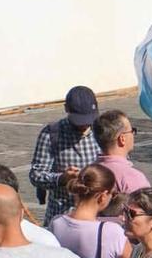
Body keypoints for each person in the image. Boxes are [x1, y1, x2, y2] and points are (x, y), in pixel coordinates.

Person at [29, 86, 104, 218]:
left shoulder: (103, 131)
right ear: (66, 109)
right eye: (79, 120)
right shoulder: (51, 133)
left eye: (88, 119)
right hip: (63, 214)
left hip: (98, 214)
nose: (84, 125)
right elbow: (36, 175)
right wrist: (61, 178)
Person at [90, 110, 150, 197]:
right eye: (132, 131)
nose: (133, 134)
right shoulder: (133, 178)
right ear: (122, 139)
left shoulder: (89, 172)